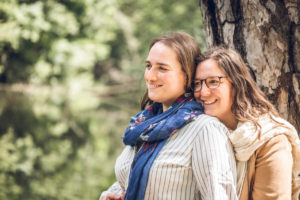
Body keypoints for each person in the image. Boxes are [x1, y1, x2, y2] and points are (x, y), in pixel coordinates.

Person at [100, 32, 238, 200]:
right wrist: (110, 195)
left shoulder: (205, 130)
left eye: (162, 68)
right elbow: (127, 180)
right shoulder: (144, 126)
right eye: (149, 66)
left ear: (187, 75)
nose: (150, 76)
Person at [193, 47, 300, 200]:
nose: (203, 92)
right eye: (197, 84)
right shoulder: (199, 133)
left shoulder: (270, 140)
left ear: (236, 83)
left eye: (213, 82)